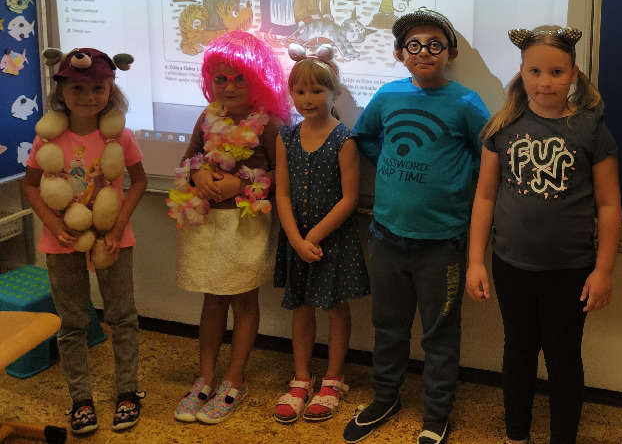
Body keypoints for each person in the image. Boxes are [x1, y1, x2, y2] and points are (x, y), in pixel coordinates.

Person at [466, 27, 622, 444]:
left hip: (571, 271)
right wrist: (476, 261)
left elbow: (610, 205)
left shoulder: (591, 129)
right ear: (521, 72)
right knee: (518, 352)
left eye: (556, 72)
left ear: (573, 74)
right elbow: (484, 197)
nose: (545, 81)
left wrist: (603, 271)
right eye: (535, 71)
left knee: (563, 359)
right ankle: (516, 436)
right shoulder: (502, 127)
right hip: (511, 266)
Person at [344, 8, 489, 444]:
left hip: (442, 244)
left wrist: (459, 181)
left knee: (440, 335)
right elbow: (364, 136)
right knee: (388, 326)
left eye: (434, 45)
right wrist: (388, 164)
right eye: (414, 46)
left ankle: (436, 412)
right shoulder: (388, 96)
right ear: (399, 54)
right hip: (387, 237)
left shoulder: (466, 103)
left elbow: (488, 155)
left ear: (450, 54)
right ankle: (384, 397)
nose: (424, 52)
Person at [22, 48, 147, 435]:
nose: (88, 96)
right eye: (77, 87)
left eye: (97, 88)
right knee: (73, 322)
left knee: (122, 317)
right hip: (62, 240)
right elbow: (30, 186)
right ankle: (81, 399)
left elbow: (139, 181)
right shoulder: (48, 138)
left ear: (111, 90)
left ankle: (128, 392)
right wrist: (51, 222)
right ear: (61, 91)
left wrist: (118, 226)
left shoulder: (120, 136)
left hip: (112, 239)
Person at [170, 31, 289, 424]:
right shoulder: (208, 117)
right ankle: (204, 377)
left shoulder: (269, 124)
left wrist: (241, 184)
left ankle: (234, 380)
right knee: (212, 299)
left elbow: (282, 174)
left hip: (244, 225)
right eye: (220, 78)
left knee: (243, 300)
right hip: (205, 223)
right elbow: (188, 159)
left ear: (259, 80)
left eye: (240, 78)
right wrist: (198, 173)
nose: (230, 86)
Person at [272, 47, 371, 424]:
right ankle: (301, 378)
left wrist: (313, 236)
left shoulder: (345, 139)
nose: (308, 99)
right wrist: (297, 240)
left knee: (334, 306)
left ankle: (333, 378)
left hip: (331, 241)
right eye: (300, 91)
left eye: (317, 90)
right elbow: (282, 193)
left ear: (335, 93)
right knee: (301, 306)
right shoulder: (286, 136)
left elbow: (350, 198)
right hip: (297, 239)